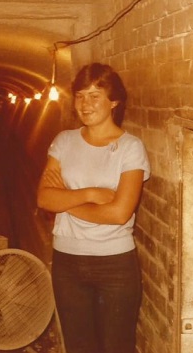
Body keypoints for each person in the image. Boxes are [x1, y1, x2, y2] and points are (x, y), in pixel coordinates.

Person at [37, 63, 150, 353]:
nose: (85, 104)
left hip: (115, 264)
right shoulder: (64, 141)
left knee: (116, 347)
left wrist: (67, 199)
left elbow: (118, 213)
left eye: (94, 96)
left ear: (114, 101)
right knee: (79, 347)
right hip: (68, 262)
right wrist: (90, 194)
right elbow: (45, 199)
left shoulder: (130, 148)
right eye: (79, 96)